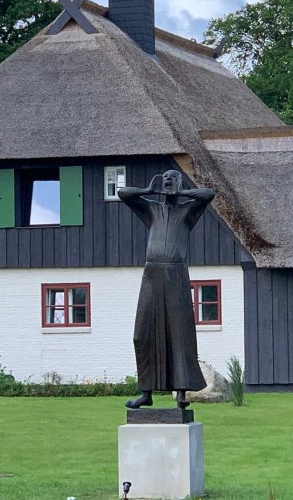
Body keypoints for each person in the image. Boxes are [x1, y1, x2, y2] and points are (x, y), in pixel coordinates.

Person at [118, 170, 215, 409]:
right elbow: (123, 194)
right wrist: (148, 191)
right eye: (166, 178)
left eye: (174, 177)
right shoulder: (152, 210)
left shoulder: (187, 211)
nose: (169, 180)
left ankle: (181, 393)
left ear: (180, 183)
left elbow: (208, 194)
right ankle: (146, 392)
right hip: (152, 274)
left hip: (176, 274)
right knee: (142, 333)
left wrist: (181, 192)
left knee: (179, 333)